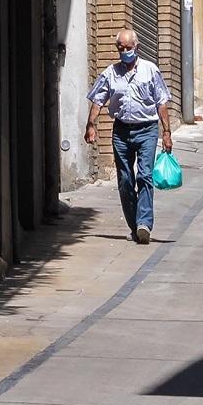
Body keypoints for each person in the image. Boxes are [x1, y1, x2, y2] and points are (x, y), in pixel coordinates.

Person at [83, 29, 173, 244]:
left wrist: (167, 132)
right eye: (121, 49)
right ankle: (135, 226)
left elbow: (161, 102)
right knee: (125, 180)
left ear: (137, 47)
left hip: (147, 130)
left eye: (128, 48)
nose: (124, 52)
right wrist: (91, 124)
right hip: (122, 130)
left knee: (144, 176)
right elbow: (98, 99)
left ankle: (144, 223)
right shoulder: (110, 73)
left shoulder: (150, 70)